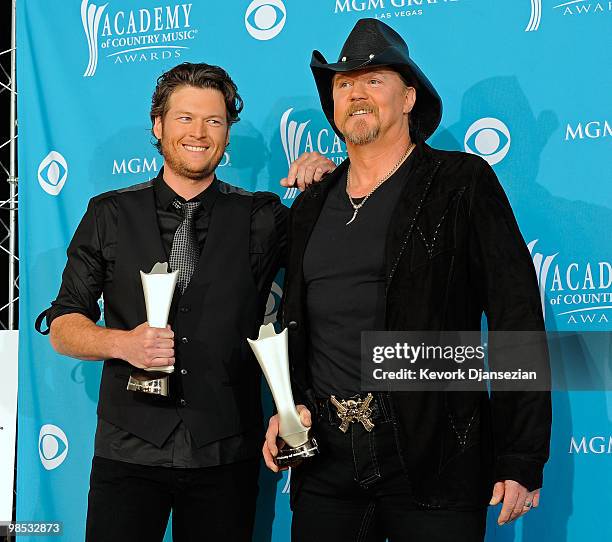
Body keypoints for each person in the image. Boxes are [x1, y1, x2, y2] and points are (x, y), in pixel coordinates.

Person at [263, 18, 552, 542]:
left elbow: (515, 317)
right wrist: (291, 407)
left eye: (374, 80)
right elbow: (300, 325)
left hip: (435, 455)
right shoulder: (310, 205)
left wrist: (522, 454)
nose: (356, 93)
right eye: (344, 83)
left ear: (409, 98)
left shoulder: (462, 183)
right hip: (326, 462)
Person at [36, 62, 334, 542]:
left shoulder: (262, 216)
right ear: (158, 126)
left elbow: (338, 253)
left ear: (227, 134)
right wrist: (123, 343)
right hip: (126, 451)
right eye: (185, 118)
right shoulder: (109, 214)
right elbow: (64, 323)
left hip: (225, 453)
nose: (199, 132)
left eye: (214, 121)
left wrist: (327, 180)